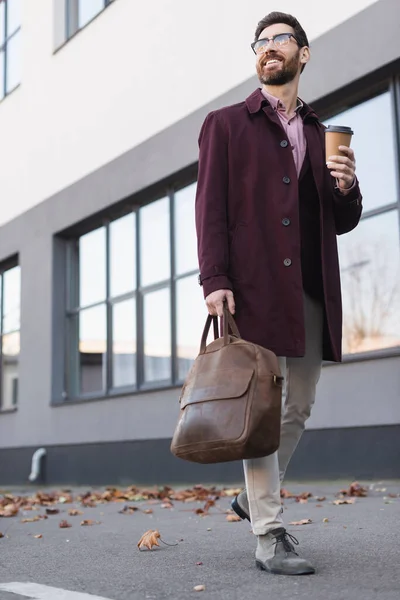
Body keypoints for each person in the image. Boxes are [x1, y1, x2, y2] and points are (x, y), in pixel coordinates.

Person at [195, 12, 362, 575]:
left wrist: (347, 188)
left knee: (301, 402)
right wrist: (214, 279)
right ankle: (268, 533)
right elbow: (210, 210)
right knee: (264, 408)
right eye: (260, 42)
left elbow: (339, 221)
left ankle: (251, 497)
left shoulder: (319, 133)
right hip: (255, 288)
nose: (268, 48)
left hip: (311, 287)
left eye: (280, 40)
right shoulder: (225, 125)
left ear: (303, 54)